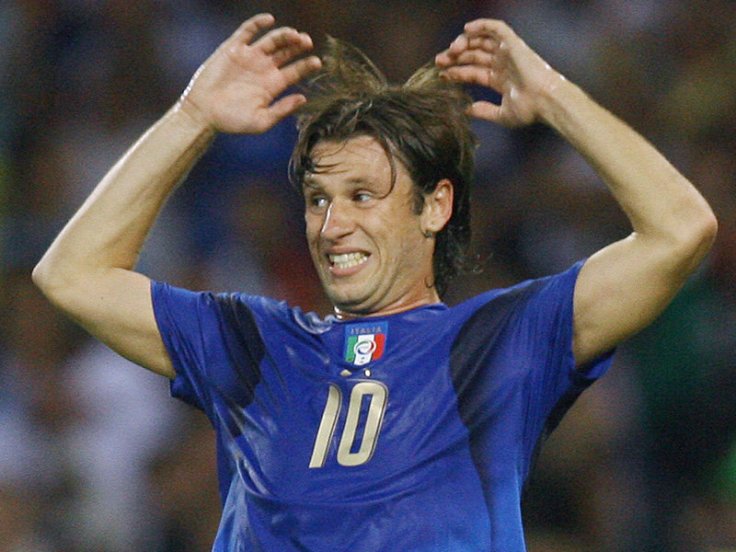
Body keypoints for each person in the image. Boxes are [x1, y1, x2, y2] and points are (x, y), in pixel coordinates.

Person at [33, 13, 717, 551]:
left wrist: (557, 98)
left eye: (362, 195)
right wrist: (192, 119)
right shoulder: (256, 343)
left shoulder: (500, 342)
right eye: (318, 199)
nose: (333, 226)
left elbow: (681, 229)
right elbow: (72, 274)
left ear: (434, 206)